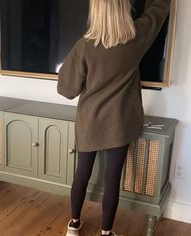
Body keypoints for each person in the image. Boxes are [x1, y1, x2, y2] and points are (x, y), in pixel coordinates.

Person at [57, 0, 171, 235]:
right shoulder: (137, 37)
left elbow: (67, 90)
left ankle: (74, 224)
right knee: (112, 180)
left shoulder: (84, 46)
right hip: (119, 125)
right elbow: (158, 10)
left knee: (82, 174)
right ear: (123, 8)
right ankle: (106, 232)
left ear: (95, 12)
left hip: (89, 123)